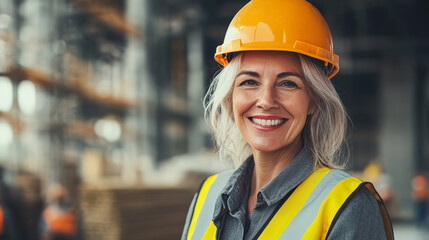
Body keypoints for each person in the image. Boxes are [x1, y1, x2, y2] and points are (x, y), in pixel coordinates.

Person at [181, 0, 394, 239]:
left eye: (287, 83)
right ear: (231, 97)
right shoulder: (207, 195)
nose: (266, 100)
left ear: (314, 100)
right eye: (249, 82)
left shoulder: (345, 206)